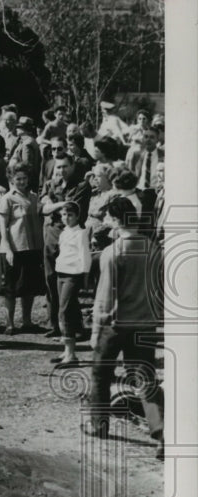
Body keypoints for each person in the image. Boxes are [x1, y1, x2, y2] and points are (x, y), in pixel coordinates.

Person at [83, 196, 164, 458]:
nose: (106, 221)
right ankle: (161, 431)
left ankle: (99, 424)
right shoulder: (153, 248)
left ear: (117, 220)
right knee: (145, 378)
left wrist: (96, 330)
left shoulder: (112, 252)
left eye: (108, 217)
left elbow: (104, 297)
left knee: (101, 374)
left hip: (116, 325)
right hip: (146, 323)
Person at [40, 152, 92, 338]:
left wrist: (53, 204)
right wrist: (55, 204)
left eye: (65, 166)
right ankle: (54, 324)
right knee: (50, 279)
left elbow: (70, 209)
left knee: (68, 282)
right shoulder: (50, 184)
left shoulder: (81, 185)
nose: (62, 170)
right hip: (51, 236)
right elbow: (43, 208)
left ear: (73, 166)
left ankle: (73, 326)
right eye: (58, 167)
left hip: (71, 237)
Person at [0, 163, 46, 334]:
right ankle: (9, 324)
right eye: (18, 179)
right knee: (10, 288)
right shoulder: (7, 199)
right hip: (14, 249)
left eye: (24, 178)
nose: (22, 181)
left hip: (33, 247)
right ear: (11, 179)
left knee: (29, 287)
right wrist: (7, 249)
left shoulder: (34, 197)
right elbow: (3, 226)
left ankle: (27, 321)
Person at [50, 201, 91, 368]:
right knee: (68, 309)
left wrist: (86, 277)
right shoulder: (64, 232)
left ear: (77, 216)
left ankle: (71, 353)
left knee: (65, 310)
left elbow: (85, 255)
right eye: (64, 215)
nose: (66, 218)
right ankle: (67, 351)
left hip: (73, 275)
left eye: (70, 215)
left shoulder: (81, 233)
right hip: (61, 272)